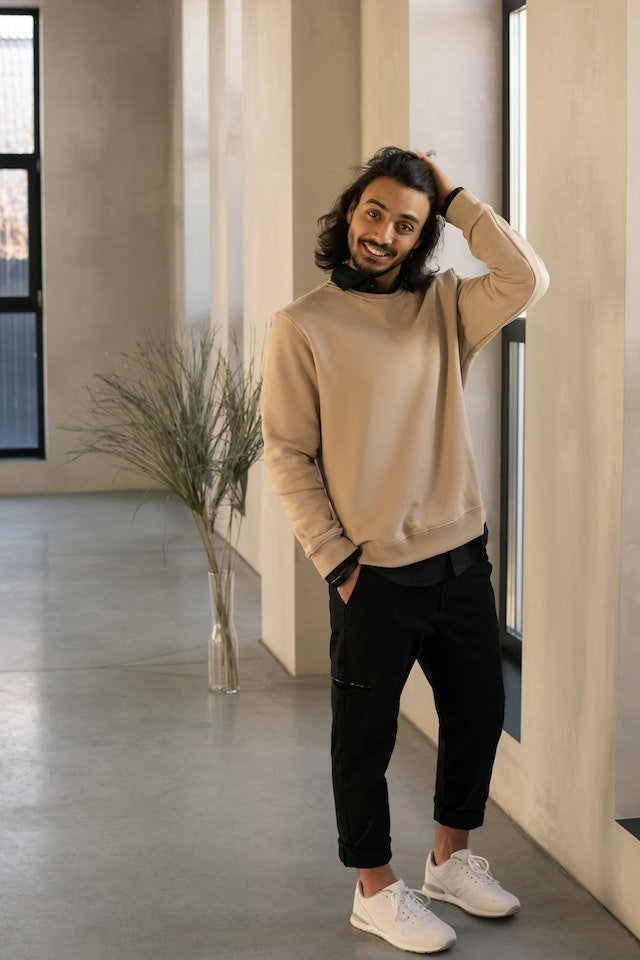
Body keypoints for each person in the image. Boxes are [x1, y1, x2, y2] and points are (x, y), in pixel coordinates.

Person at [260, 147, 549, 954]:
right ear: (351, 210)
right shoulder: (302, 325)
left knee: (479, 712)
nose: (384, 234)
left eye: (406, 224)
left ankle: (448, 862)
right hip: (373, 573)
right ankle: (374, 889)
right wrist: (335, 559)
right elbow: (287, 453)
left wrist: (454, 198)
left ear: (423, 236)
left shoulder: (444, 306)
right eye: (375, 212)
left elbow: (527, 277)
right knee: (366, 738)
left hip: (461, 557)